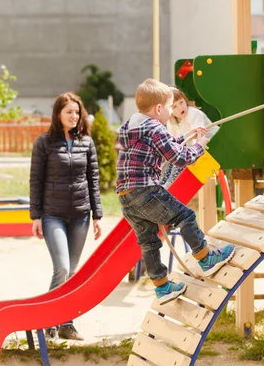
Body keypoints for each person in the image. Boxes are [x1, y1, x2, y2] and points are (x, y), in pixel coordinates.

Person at [116, 78, 235, 305]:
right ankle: (205, 257)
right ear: (158, 109)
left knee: (148, 240)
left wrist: (187, 136)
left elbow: (165, 144)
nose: (172, 112)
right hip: (145, 190)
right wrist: (199, 146)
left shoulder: (131, 126)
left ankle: (162, 287)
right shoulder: (155, 128)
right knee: (185, 215)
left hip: (125, 195)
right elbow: (179, 158)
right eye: (170, 107)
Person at [29, 92, 103, 341]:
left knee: (72, 272)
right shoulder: (44, 143)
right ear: (58, 114)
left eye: (77, 112)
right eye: (68, 112)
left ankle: (66, 324)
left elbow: (94, 179)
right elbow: (36, 181)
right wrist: (36, 216)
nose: (74, 116)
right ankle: (48, 320)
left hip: (81, 215)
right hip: (53, 215)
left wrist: (97, 215)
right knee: (61, 268)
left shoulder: (87, 143)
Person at [161, 87, 220, 188]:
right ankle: (164, 182)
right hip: (193, 150)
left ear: (185, 100)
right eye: (174, 107)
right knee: (174, 157)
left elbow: (199, 136)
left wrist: (193, 156)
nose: (180, 107)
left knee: (181, 158)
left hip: (214, 145)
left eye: (181, 102)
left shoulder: (193, 113)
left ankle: (171, 182)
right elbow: (174, 144)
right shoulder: (171, 121)